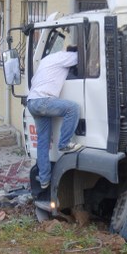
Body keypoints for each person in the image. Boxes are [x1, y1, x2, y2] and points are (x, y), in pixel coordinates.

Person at [27, 45, 83, 189]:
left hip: (32, 102)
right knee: (73, 108)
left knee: (43, 142)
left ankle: (45, 179)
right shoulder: (68, 57)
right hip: (43, 101)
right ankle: (64, 144)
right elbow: (83, 58)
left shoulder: (48, 59)